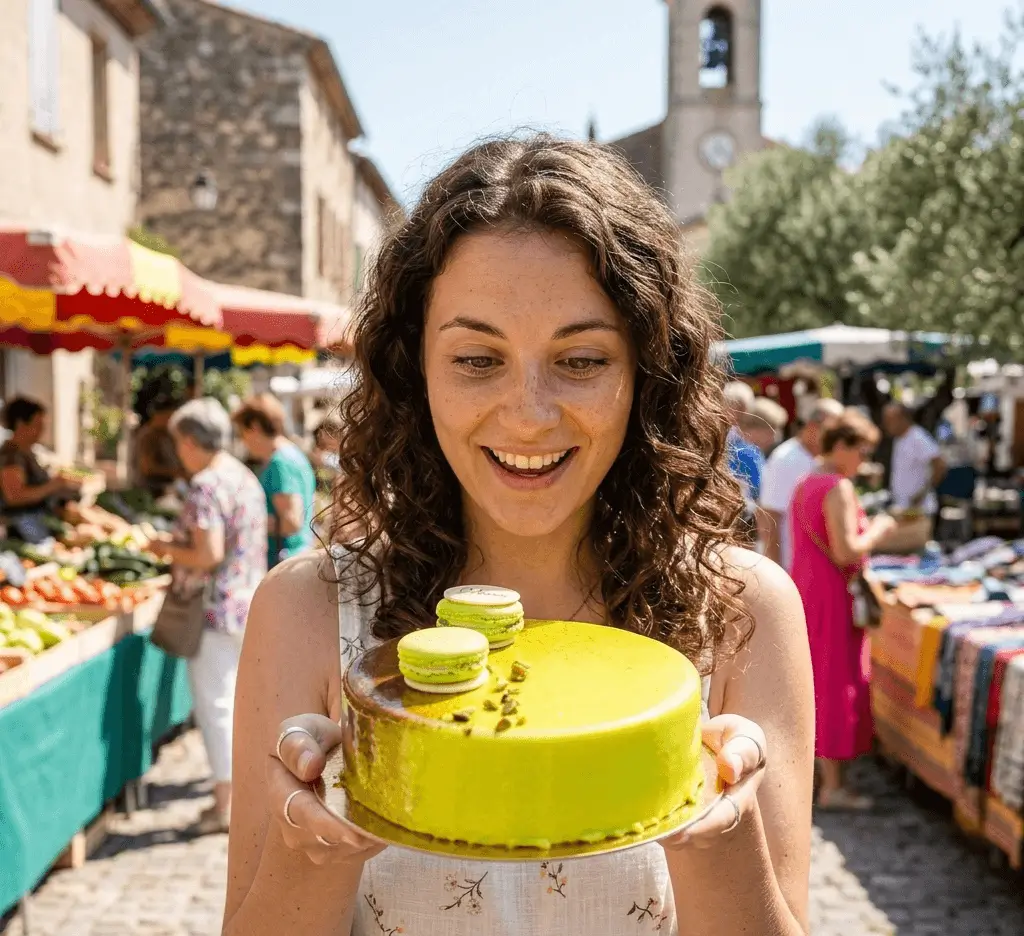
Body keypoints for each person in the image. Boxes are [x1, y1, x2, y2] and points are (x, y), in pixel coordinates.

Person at [224, 135, 814, 936]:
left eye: (579, 359)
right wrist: (314, 849)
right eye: (476, 358)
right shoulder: (306, 609)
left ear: (645, 373)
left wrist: (721, 837)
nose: (530, 412)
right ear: (413, 369)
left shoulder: (743, 609)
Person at [162, 398, 267, 835]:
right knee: (241, 705)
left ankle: (225, 804)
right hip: (249, 604)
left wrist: (161, 548)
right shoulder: (242, 476)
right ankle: (246, 794)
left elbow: (207, 555)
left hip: (214, 610)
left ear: (189, 441)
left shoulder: (206, 483)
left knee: (216, 707)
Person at [789, 409, 896, 810]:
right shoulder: (837, 486)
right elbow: (846, 549)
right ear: (843, 446)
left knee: (818, 678)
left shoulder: (807, 481)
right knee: (835, 680)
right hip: (832, 593)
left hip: (809, 588)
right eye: (862, 451)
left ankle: (823, 777)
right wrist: (880, 530)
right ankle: (835, 787)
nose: (864, 461)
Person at [233, 393, 317, 568]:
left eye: (242, 432)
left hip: (285, 562)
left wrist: (244, 522)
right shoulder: (292, 454)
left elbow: (291, 522)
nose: (243, 440)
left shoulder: (280, 462)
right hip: (295, 558)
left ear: (254, 428)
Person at [759, 398, 844, 569]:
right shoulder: (785, 460)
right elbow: (768, 518)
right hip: (789, 567)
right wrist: (777, 571)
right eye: (832, 432)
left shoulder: (819, 459)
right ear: (813, 427)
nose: (836, 440)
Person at [0, 397, 84, 517]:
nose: (41, 431)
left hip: (42, 517)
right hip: (26, 525)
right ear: (20, 424)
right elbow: (15, 496)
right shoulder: (11, 456)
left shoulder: (28, 451)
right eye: (37, 425)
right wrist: (52, 486)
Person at [882, 403, 947, 520]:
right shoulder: (899, 439)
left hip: (920, 509)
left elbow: (940, 464)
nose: (886, 425)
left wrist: (923, 492)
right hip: (903, 508)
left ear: (902, 419)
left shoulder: (917, 437)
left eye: (890, 421)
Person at [723, 381, 765, 502]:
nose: (738, 414)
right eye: (735, 406)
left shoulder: (747, 439)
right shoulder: (720, 436)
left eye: (742, 407)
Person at [134, 396, 182, 493]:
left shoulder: (166, 435)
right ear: (159, 415)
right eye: (169, 416)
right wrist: (176, 472)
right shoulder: (148, 436)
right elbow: (147, 467)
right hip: (149, 489)